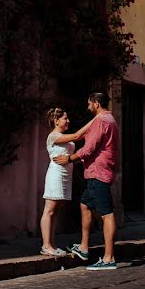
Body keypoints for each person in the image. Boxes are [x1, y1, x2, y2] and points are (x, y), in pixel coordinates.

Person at [53, 92, 120, 270]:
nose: (88, 106)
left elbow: (89, 149)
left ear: (96, 103)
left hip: (99, 172)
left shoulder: (101, 121)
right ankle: (83, 247)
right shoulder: (110, 119)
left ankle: (109, 258)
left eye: (89, 103)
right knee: (85, 204)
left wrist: (69, 159)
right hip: (95, 173)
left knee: (107, 214)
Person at [40, 108, 95, 257]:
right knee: (49, 210)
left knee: (56, 211)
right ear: (56, 121)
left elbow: (74, 145)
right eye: (65, 118)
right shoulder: (53, 136)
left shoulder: (63, 136)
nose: (68, 121)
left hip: (65, 175)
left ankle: (51, 244)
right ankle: (46, 245)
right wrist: (96, 120)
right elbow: (78, 135)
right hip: (55, 175)